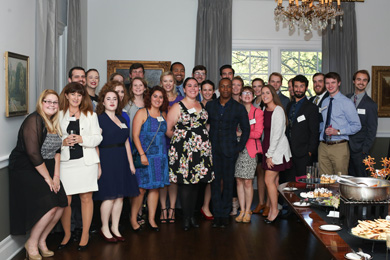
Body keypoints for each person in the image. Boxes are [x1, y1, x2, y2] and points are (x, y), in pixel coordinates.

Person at [9, 90, 67, 259]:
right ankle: (32, 243)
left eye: (55, 102)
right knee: (50, 206)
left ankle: (42, 240)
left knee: (62, 204)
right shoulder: (34, 119)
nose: (51, 105)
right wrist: (47, 178)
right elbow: (33, 154)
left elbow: (57, 151)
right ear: (41, 103)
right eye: (47, 101)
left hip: (47, 166)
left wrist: (56, 177)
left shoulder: (54, 121)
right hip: (26, 167)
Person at [58, 82, 102, 251]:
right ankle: (67, 234)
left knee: (86, 198)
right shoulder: (59, 114)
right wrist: (63, 142)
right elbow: (52, 138)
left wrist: (83, 139)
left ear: (83, 97)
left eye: (79, 94)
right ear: (67, 95)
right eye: (73, 94)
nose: (76, 98)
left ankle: (85, 234)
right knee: (66, 201)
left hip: (86, 162)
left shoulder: (90, 114)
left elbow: (98, 138)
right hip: (66, 163)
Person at [166, 77, 214, 230]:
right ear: (184, 89)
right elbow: (168, 130)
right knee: (186, 185)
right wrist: (182, 140)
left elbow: (205, 126)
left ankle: (192, 216)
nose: (193, 88)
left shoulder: (201, 105)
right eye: (189, 86)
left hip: (201, 151)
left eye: (195, 86)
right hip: (183, 151)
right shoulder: (177, 106)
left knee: (196, 185)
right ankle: (186, 219)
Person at [94, 88, 139, 243]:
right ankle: (104, 228)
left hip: (122, 160)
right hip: (106, 159)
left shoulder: (122, 118)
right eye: (108, 99)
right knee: (108, 197)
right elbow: (95, 145)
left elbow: (126, 141)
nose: (112, 101)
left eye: (115, 98)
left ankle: (115, 227)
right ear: (103, 102)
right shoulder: (98, 119)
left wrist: (131, 163)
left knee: (120, 196)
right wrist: (98, 166)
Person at [206, 78, 250, 228]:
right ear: (218, 88)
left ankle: (225, 214)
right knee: (215, 182)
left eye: (228, 86)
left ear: (232, 89)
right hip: (213, 150)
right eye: (222, 86)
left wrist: (239, 148)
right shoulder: (210, 105)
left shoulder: (238, 107)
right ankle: (216, 213)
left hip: (230, 151)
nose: (225, 89)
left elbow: (246, 130)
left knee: (229, 182)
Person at [131, 86, 170, 232]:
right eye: (155, 96)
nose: (158, 99)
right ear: (150, 97)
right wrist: (142, 154)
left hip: (160, 157)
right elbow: (135, 136)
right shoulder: (142, 112)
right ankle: (134, 219)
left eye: (161, 97)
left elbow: (168, 133)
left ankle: (152, 219)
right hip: (145, 157)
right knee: (141, 190)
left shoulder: (164, 114)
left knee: (155, 189)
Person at [318, 72, 361, 175]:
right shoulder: (324, 102)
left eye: (333, 82)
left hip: (339, 147)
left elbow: (357, 125)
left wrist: (338, 131)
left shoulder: (346, 102)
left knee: (340, 182)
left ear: (339, 83)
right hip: (323, 146)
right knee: (324, 180)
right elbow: (323, 123)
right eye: (327, 83)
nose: (330, 86)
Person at [261, 85, 292, 224]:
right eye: (262, 93)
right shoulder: (264, 109)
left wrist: (270, 155)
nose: (265, 95)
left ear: (273, 94)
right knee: (274, 181)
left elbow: (277, 135)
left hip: (276, 150)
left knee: (268, 180)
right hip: (268, 147)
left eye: (268, 93)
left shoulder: (278, 110)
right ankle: (276, 207)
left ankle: (274, 210)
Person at [234, 87, 264, 224]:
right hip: (236, 150)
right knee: (239, 180)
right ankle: (241, 210)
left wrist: (242, 134)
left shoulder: (258, 112)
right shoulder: (236, 110)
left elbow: (258, 134)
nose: (247, 95)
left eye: (249, 93)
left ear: (253, 96)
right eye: (244, 93)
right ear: (240, 96)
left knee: (247, 181)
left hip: (250, 150)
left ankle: (248, 210)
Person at [158, 71, 183, 223]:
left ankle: (172, 209)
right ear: (161, 83)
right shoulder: (158, 99)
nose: (168, 84)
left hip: (178, 144)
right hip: (160, 144)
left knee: (173, 179)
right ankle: (163, 209)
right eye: (165, 81)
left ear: (174, 83)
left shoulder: (181, 100)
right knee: (162, 178)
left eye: (170, 81)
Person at [286, 75, 319, 181]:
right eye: (296, 86)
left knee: (303, 182)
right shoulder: (289, 105)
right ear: (292, 87)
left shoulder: (312, 107)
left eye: (301, 86)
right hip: (288, 151)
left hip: (304, 152)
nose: (298, 89)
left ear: (306, 88)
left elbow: (314, 131)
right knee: (289, 183)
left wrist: (310, 151)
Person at [346, 70, 378, 177]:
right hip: (343, 147)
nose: (361, 82)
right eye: (359, 79)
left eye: (364, 80)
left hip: (360, 151)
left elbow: (372, 130)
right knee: (344, 179)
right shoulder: (346, 99)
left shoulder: (371, 104)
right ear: (354, 81)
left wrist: (364, 150)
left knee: (360, 179)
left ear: (367, 83)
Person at [251, 78, 267, 214]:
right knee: (259, 174)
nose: (257, 89)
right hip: (252, 144)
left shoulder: (265, 102)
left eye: (259, 86)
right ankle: (261, 202)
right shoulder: (251, 102)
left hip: (264, 142)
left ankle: (268, 204)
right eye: (254, 87)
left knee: (267, 174)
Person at [124, 77, 148, 141]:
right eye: (135, 85)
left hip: (146, 141)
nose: (138, 87)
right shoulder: (127, 105)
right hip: (131, 140)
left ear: (145, 88)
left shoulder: (149, 104)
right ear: (131, 88)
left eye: (140, 85)